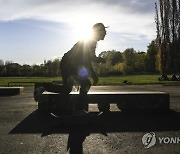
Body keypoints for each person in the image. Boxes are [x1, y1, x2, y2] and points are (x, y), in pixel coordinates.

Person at [34, 23, 107, 115]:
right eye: (104, 31)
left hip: (68, 63)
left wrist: (99, 59)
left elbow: (91, 57)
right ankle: (79, 109)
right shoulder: (90, 41)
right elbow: (86, 60)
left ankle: (42, 86)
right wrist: (93, 74)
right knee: (86, 84)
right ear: (98, 32)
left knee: (67, 88)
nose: (105, 34)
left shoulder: (91, 41)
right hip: (71, 64)